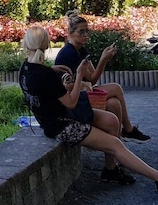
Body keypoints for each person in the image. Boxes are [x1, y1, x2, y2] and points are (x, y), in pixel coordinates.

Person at [19, 25, 158, 192]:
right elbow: (71, 102)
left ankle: (111, 170)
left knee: (111, 121)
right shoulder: (46, 75)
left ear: (27, 45)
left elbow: (41, 82)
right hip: (62, 125)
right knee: (115, 144)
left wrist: (53, 70)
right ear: (47, 45)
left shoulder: (25, 69)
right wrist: (79, 75)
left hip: (55, 118)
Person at [54, 10, 151, 142]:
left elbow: (93, 78)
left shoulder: (80, 50)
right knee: (116, 88)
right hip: (73, 99)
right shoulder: (69, 53)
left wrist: (104, 58)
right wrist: (103, 59)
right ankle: (128, 130)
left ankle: (114, 156)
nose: (85, 35)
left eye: (87, 31)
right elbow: (79, 83)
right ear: (70, 34)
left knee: (114, 104)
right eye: (81, 32)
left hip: (83, 93)